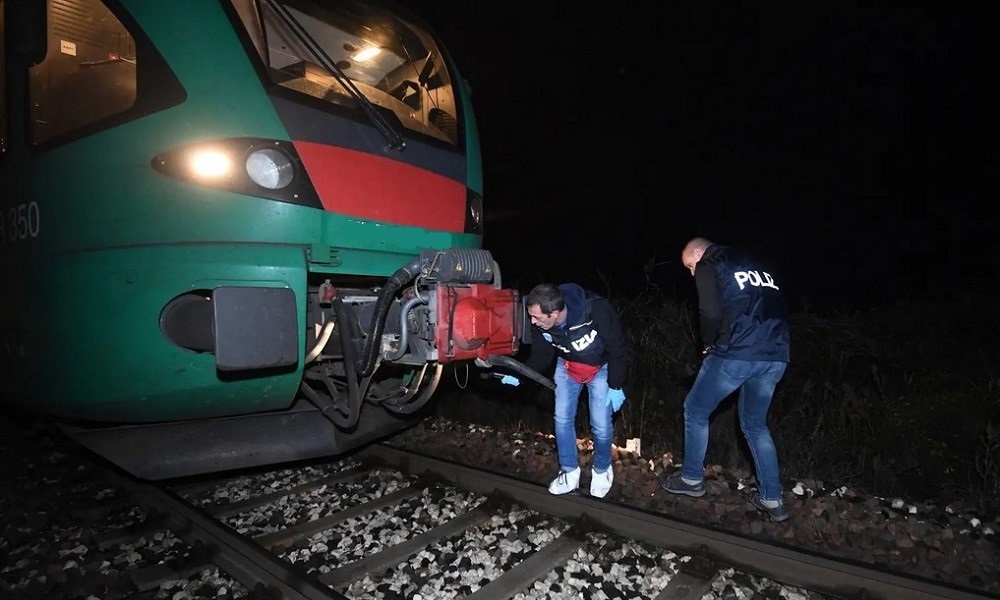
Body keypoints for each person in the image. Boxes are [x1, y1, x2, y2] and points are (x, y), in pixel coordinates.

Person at [660, 237, 792, 522]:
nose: (693, 273)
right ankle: (773, 498)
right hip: (777, 354)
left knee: (695, 410)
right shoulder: (757, 265)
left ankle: (692, 479)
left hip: (739, 353)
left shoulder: (711, 262)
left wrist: (709, 343)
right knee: (755, 425)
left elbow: (709, 310)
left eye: (690, 266)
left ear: (698, 253)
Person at [501, 282, 627, 498]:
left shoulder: (595, 309)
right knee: (561, 419)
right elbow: (542, 356)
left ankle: (602, 470)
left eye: (538, 317)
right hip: (567, 368)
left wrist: (616, 385)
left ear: (556, 313)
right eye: (531, 316)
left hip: (600, 369)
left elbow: (617, 347)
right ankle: (569, 472)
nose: (533, 321)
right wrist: (520, 374)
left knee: (601, 425)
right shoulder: (542, 324)